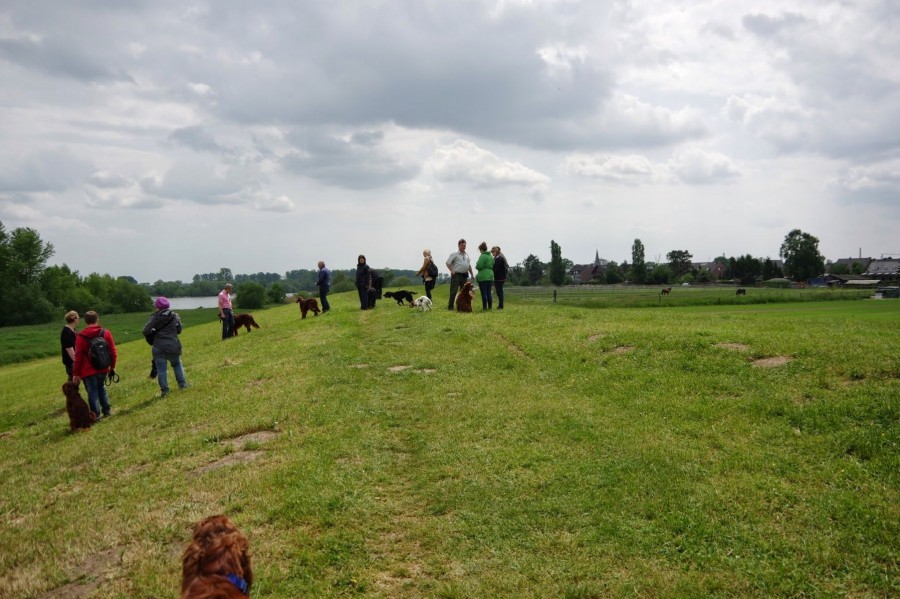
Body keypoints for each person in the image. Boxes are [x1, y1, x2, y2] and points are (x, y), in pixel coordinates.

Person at [72, 311, 117, 420]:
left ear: (85, 321)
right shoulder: (106, 333)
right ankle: (107, 410)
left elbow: (78, 357)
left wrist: (76, 374)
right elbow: (113, 351)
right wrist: (112, 367)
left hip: (87, 370)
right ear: (97, 319)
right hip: (103, 367)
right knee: (101, 388)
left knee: (92, 392)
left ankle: (95, 415)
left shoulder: (81, 336)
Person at [143, 297, 189, 398]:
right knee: (177, 364)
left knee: (161, 370)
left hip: (158, 346)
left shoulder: (155, 317)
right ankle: (182, 384)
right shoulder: (175, 316)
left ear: (157, 307)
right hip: (173, 345)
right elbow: (179, 330)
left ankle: (165, 391)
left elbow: (145, 331)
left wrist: (154, 332)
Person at [445, 239, 473, 310]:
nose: (463, 246)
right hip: (456, 275)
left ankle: (464, 307)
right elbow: (448, 263)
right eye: (462, 245)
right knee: (453, 291)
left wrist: (472, 274)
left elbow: (469, 265)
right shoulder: (455, 253)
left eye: (464, 245)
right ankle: (450, 307)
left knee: (465, 292)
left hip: (464, 275)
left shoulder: (467, 255)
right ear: (459, 245)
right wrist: (452, 270)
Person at [475, 242, 495, 310]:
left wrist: (476, 265)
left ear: (481, 249)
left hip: (483, 277)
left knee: (484, 293)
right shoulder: (491, 256)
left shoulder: (482, 256)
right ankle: (490, 307)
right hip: (490, 276)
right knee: (489, 292)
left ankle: (484, 307)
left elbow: (479, 266)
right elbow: (493, 264)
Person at [60, 310, 79, 381]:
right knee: (74, 380)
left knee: (75, 380)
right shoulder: (67, 332)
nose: (78, 319)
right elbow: (69, 349)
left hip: (74, 360)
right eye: (78, 318)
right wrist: (76, 361)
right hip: (70, 361)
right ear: (74, 319)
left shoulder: (73, 330)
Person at [491, 245, 508, 310]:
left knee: (499, 292)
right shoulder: (499, 257)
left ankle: (501, 306)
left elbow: (496, 269)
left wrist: (492, 274)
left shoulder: (498, 258)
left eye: (493, 251)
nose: (492, 253)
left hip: (499, 278)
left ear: (496, 251)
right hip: (500, 278)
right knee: (499, 292)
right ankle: (500, 305)